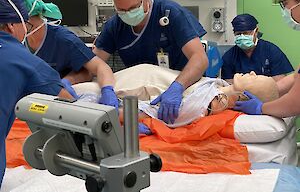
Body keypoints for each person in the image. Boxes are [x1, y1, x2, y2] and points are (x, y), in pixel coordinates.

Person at [93, 0, 209, 124]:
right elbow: (94, 63)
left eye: (133, 8)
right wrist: (105, 90)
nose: (128, 14)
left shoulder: (170, 13)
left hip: (180, 87)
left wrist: (177, 87)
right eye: (121, 10)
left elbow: (199, 59)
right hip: (141, 94)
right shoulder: (115, 26)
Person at [0, 0, 75, 187]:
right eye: (25, 24)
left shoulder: (62, 37)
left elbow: (96, 66)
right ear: (10, 26)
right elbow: (75, 111)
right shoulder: (24, 61)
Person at [75, 64, 279, 134]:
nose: (252, 72)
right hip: (148, 80)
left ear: (245, 96)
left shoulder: (207, 104)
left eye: (257, 78)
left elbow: (158, 114)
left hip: (140, 98)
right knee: (86, 93)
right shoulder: (219, 87)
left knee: (83, 99)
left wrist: (122, 119)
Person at [9, 0, 118, 109]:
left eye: (10, 23)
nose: (8, 29)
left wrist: (107, 91)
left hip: (63, 101)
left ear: (25, 20)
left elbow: (97, 68)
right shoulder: (19, 40)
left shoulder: (63, 39)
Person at [233, 0, 300, 118]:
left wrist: (261, 107)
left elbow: (295, 103)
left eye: (285, 3)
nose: (284, 11)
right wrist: (266, 90)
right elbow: (295, 76)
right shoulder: (231, 56)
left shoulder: (270, 50)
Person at [221, 13, 294, 82]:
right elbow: (229, 86)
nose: (242, 36)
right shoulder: (229, 57)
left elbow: (281, 83)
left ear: (256, 31)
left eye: (246, 33)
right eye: (238, 34)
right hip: (241, 95)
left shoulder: (271, 51)